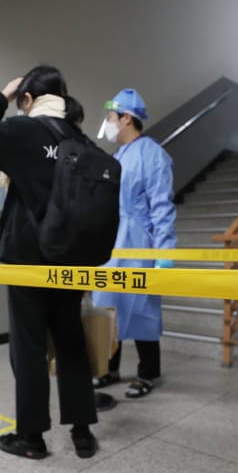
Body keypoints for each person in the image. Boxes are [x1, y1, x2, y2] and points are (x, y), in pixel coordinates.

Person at [0, 66, 99, 460]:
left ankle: (32, 438)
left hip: (27, 258)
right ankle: (82, 433)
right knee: (71, 342)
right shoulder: (78, 138)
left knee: (29, 347)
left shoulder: (25, 130)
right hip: (70, 259)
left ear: (27, 99)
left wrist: (0, 96)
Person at [92, 89, 176, 399]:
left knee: (141, 307)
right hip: (112, 241)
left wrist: (164, 253)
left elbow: (162, 206)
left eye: (110, 117)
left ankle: (148, 372)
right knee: (107, 305)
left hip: (139, 241)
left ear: (127, 118)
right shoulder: (116, 157)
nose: (108, 122)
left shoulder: (152, 154)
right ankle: (109, 367)